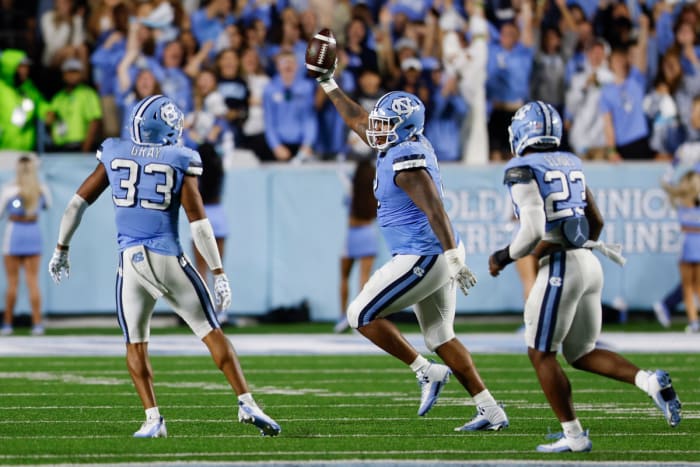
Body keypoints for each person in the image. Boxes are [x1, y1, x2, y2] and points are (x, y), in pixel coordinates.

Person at [47, 95, 280, 438]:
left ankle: (153, 418)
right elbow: (199, 222)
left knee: (135, 343)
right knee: (210, 331)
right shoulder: (180, 158)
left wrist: (61, 248)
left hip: (131, 264)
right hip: (168, 258)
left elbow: (75, 206)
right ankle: (246, 402)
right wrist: (218, 272)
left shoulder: (113, 151)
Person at [309, 56, 509, 430]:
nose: (375, 129)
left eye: (385, 125)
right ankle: (491, 410)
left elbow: (436, 211)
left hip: (427, 254)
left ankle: (425, 371)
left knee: (360, 315)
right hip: (431, 251)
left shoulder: (407, 159)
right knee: (439, 335)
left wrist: (452, 259)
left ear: (405, 130)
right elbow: (356, 119)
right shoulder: (400, 141)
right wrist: (327, 82)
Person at [488, 101, 682, 452]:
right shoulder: (570, 162)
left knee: (540, 354)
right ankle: (649, 381)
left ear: (522, 132)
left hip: (562, 268)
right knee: (581, 352)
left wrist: (502, 257)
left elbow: (531, 230)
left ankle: (574, 436)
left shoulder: (522, 166)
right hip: (588, 264)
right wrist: (564, 244)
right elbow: (597, 221)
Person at [0, 155, 51, 336]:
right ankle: (37, 324)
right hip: (33, 234)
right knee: (33, 282)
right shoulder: (41, 189)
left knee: (12, 283)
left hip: (14, 235)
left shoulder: (9, 190)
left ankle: (7, 324)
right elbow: (48, 206)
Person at [335, 158, 378, 334]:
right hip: (368, 233)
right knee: (364, 278)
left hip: (352, 235)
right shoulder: (374, 192)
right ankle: (360, 317)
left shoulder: (352, 190)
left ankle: (342, 316)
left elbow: (340, 172)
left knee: (344, 276)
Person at [662, 170, 700, 334]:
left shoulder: (681, 202)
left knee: (688, 287)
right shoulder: (689, 203)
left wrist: (672, 168)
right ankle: (694, 321)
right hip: (697, 244)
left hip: (687, 245)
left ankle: (693, 321)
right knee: (697, 287)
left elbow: (666, 184)